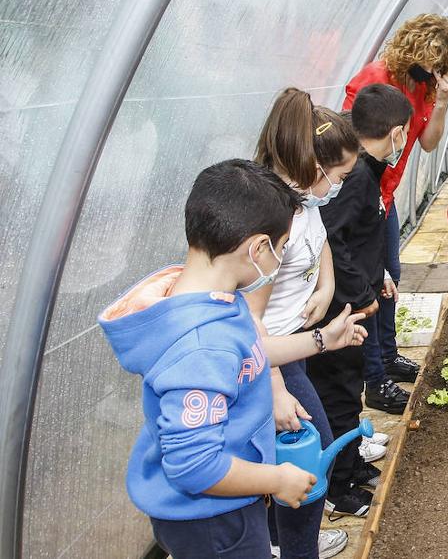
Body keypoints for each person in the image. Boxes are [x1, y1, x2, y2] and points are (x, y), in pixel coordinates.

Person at [99, 159, 367, 559]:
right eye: (280, 249)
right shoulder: (201, 346)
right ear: (258, 248)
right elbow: (195, 465)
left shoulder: (211, 299)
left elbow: (251, 356)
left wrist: (321, 340)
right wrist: (276, 478)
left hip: (226, 500)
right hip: (211, 519)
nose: (278, 261)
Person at [248, 89, 371, 559]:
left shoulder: (302, 203)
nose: (337, 187)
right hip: (271, 365)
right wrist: (276, 390)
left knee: (292, 458)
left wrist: (324, 286)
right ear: (312, 167)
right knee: (307, 461)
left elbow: (320, 241)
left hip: (292, 349)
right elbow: (250, 320)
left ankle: (281, 542)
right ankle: (299, 548)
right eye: (336, 177)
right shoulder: (274, 220)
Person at [343, 14, 448, 407]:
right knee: (369, 284)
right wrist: (366, 201)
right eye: (433, 61)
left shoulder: (425, 87)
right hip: (361, 195)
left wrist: (443, 100)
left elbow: (429, 144)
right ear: (414, 48)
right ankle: (374, 380)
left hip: (386, 195)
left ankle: (386, 354)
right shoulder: (376, 77)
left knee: (391, 276)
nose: (435, 71)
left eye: (442, 65)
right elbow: (349, 139)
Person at [306, 83, 413, 518]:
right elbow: (333, 240)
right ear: (397, 132)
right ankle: (338, 486)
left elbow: (356, 238)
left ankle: (349, 467)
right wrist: (361, 292)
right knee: (340, 395)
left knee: (347, 393)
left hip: (354, 299)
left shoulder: (363, 174)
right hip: (341, 311)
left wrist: (380, 273)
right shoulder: (355, 180)